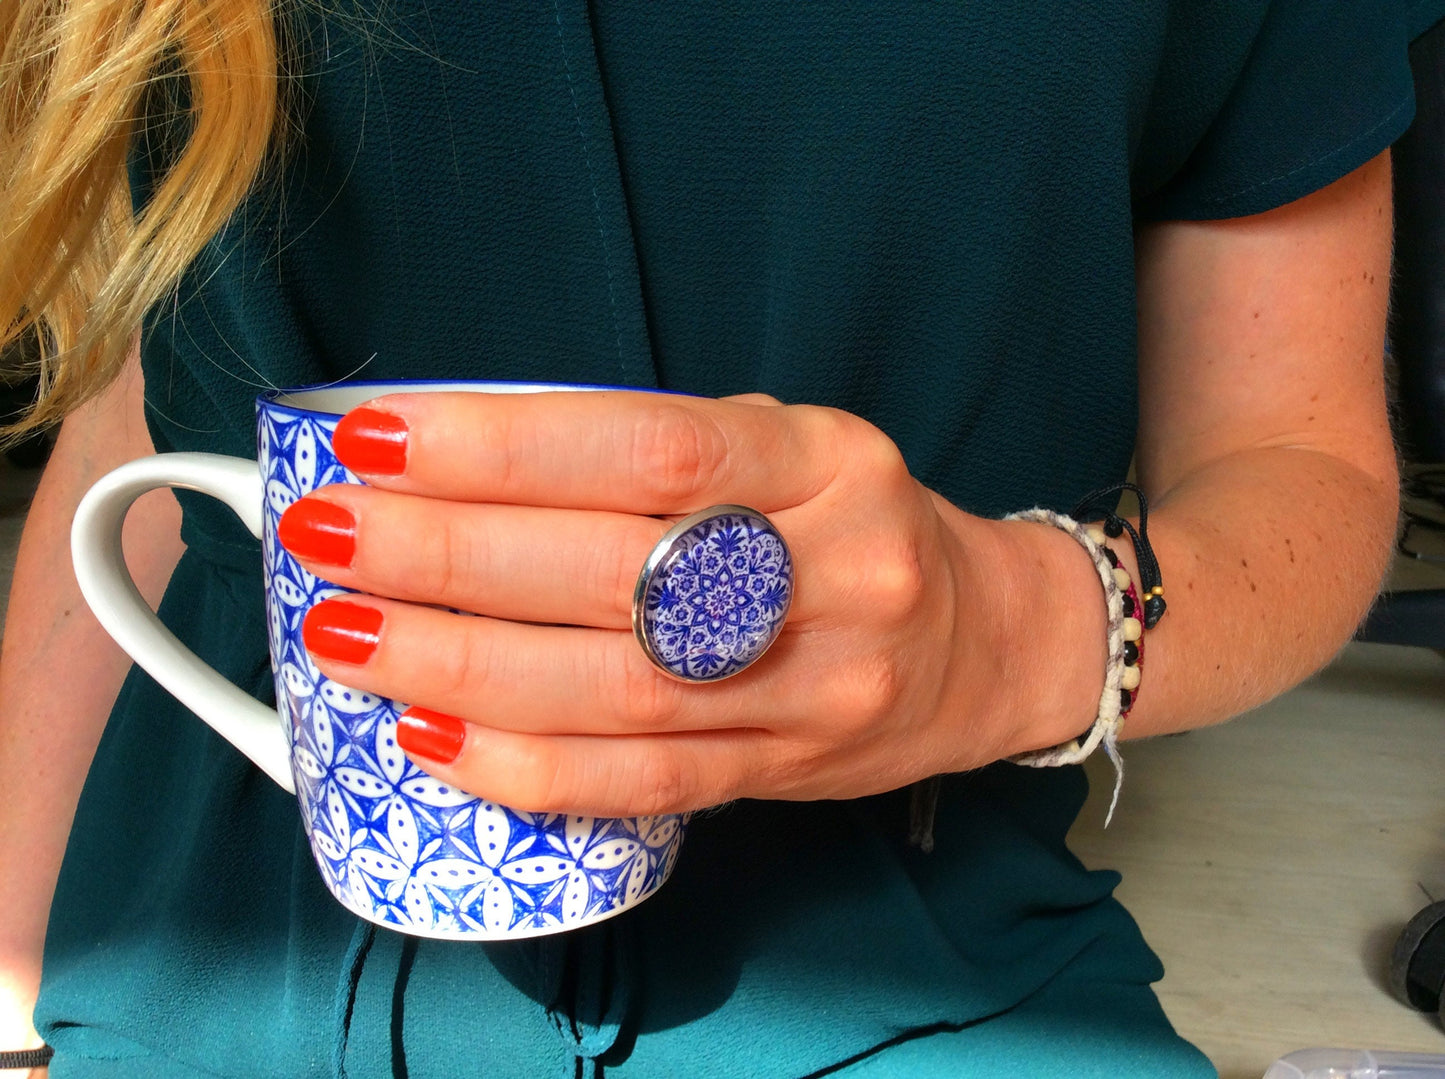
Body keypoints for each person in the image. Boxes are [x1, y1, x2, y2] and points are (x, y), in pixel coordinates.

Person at [0, 2, 1436, 1075]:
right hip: (203, 946)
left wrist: (1019, 633)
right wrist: (11, 975)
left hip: (915, 940)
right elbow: (152, 411)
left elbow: (1292, 456)